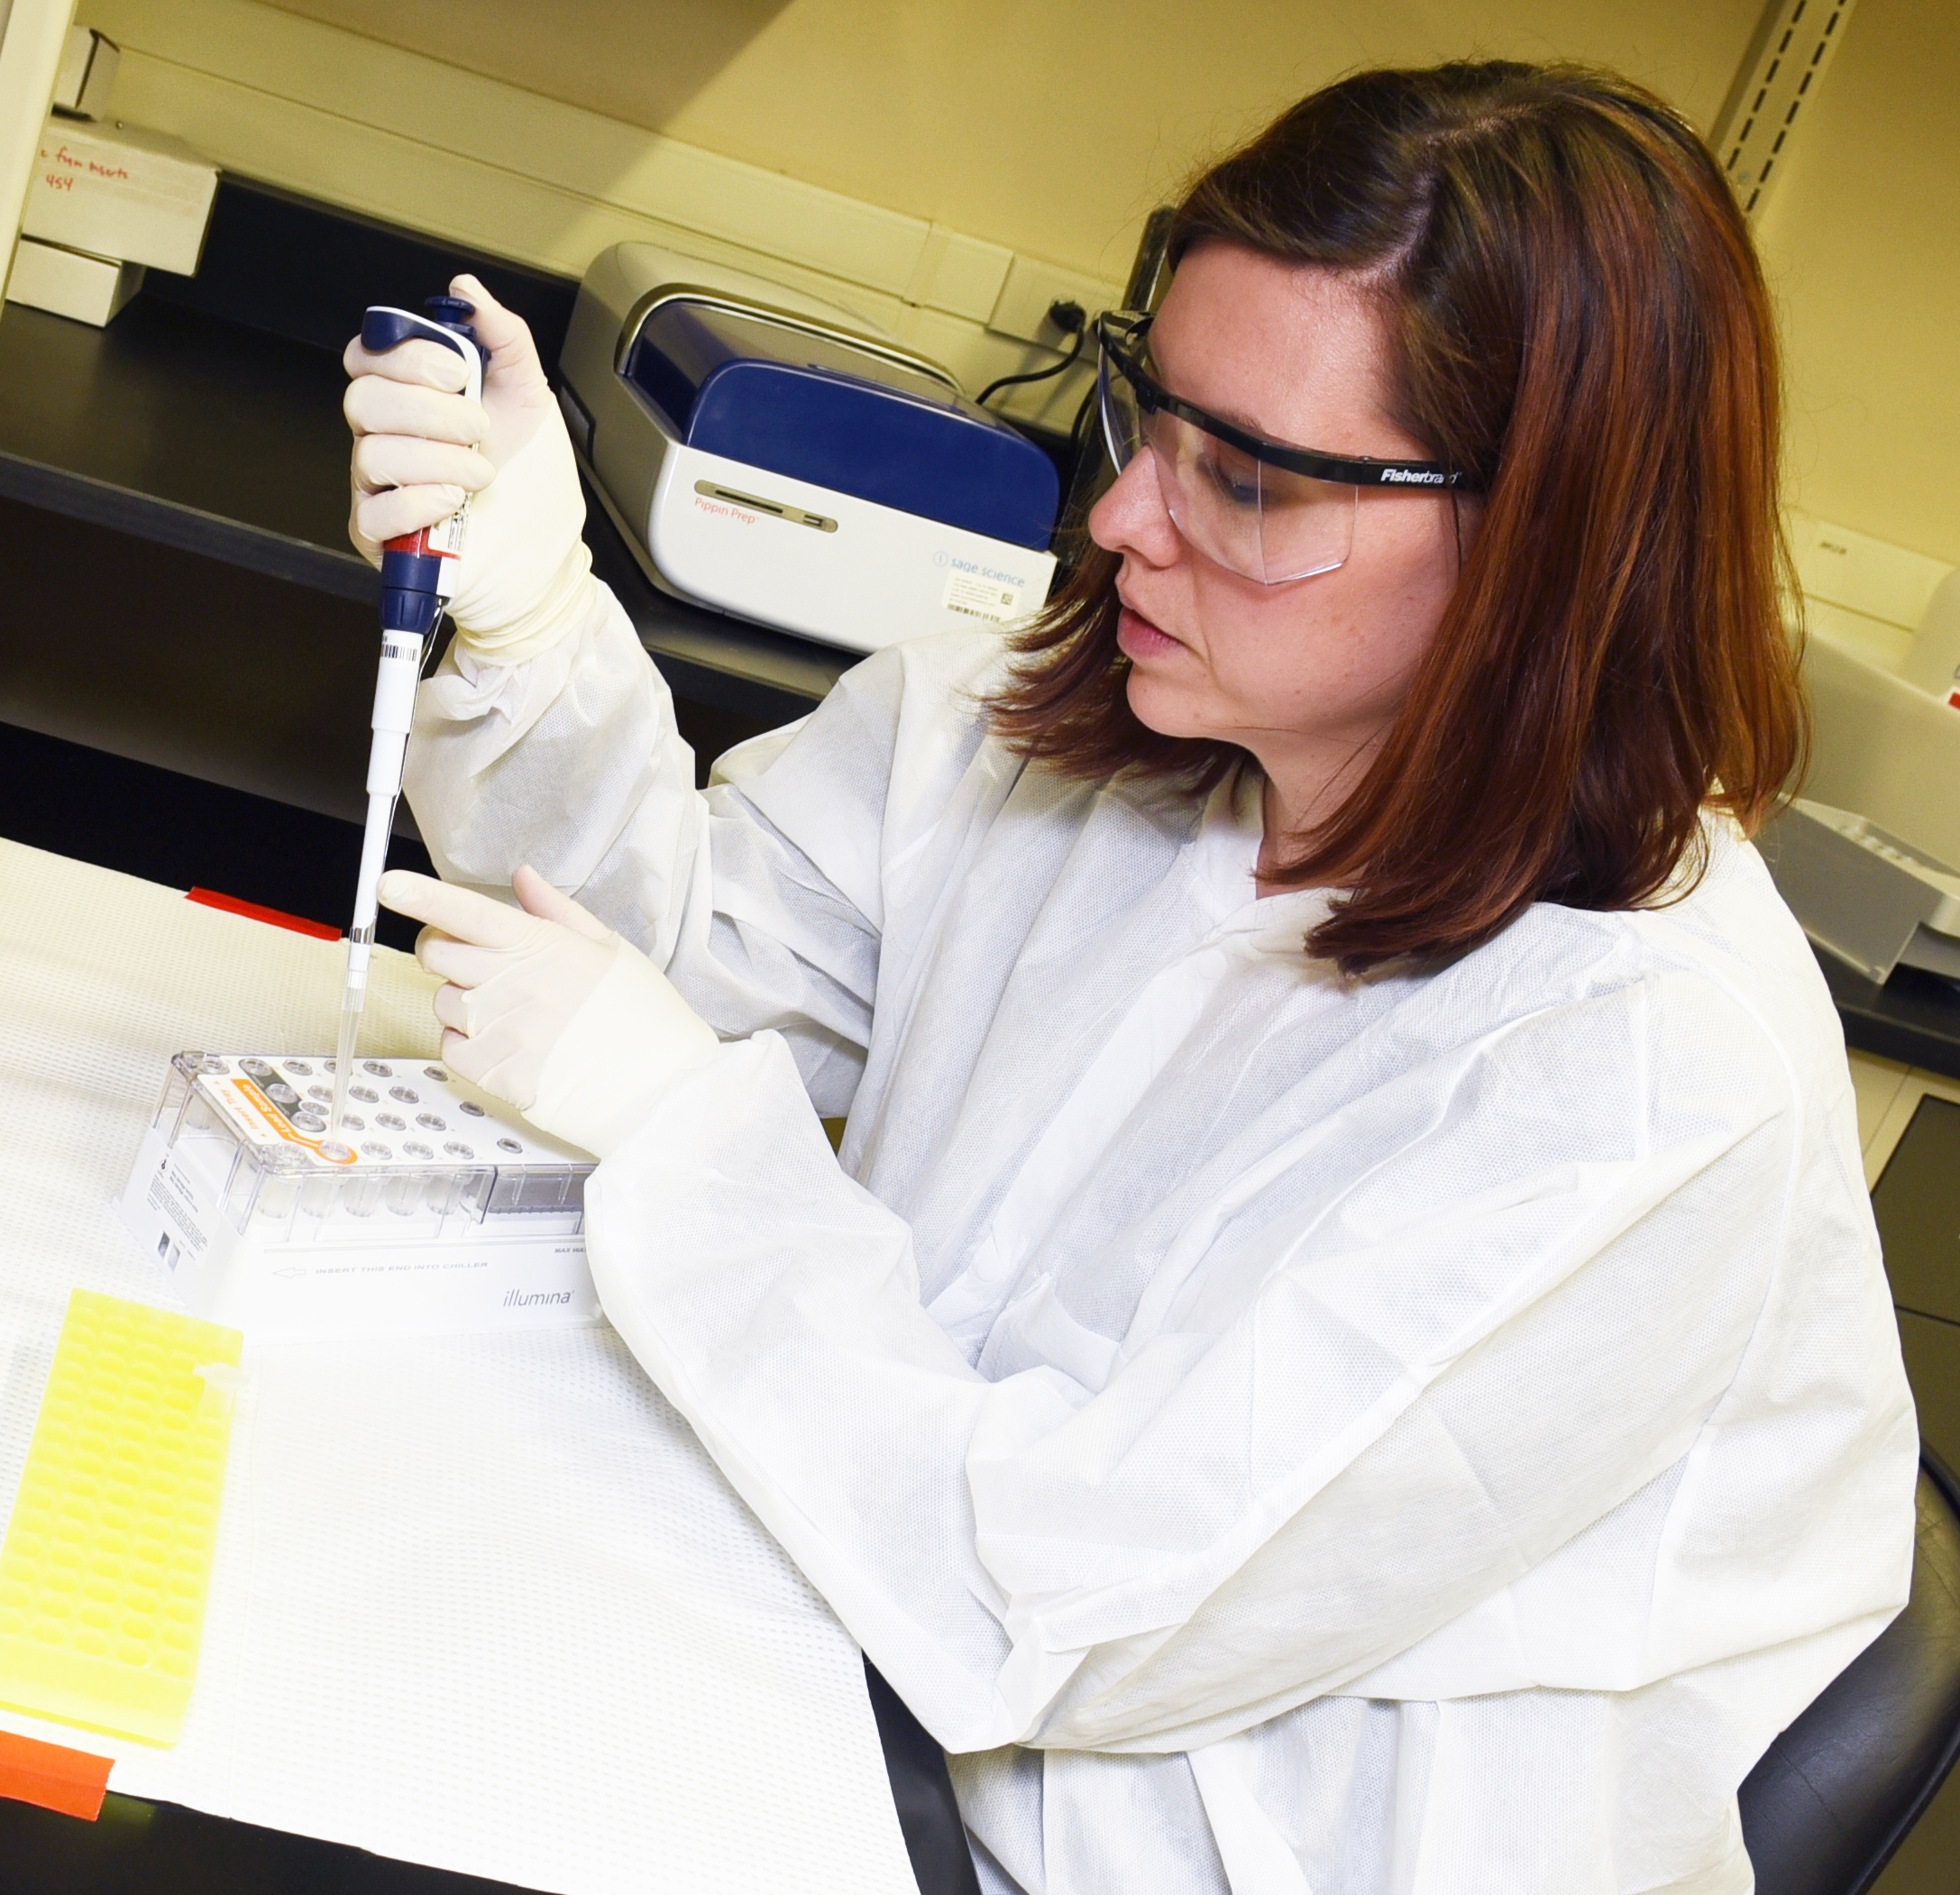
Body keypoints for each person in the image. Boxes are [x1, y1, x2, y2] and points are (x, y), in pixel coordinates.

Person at [341, 62, 1914, 1894]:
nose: (1122, 524)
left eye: (1243, 478)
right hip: (862, 1645)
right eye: (1146, 420)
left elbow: (1075, 1601)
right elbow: (668, 961)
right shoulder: (1108, 718)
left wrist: (694, 1134)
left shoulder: (1646, 1081)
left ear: (1534, 551)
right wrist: (533, 605)